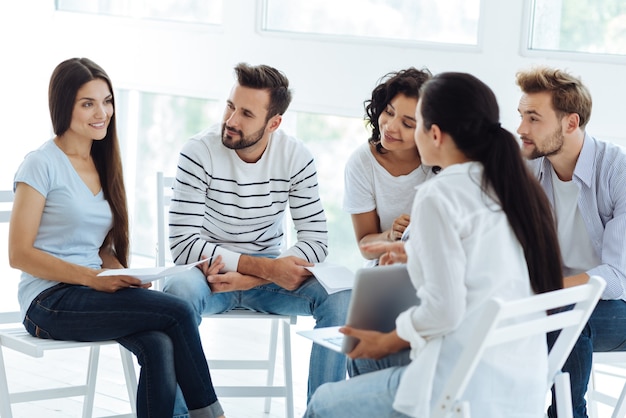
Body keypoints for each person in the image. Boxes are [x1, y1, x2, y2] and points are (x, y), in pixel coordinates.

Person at [304, 72, 563, 418]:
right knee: (369, 363)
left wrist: (388, 339)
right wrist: (416, 253)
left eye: (417, 123)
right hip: (518, 385)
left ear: (435, 134)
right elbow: (486, 262)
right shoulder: (509, 185)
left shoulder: (438, 194)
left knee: (323, 403)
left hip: (461, 387)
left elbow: (444, 311)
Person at [8, 57, 225, 418]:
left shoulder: (102, 161)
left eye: (107, 101)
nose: (102, 112)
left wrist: (122, 275)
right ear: (64, 106)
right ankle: (212, 414)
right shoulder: (40, 164)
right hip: (46, 302)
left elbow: (100, 247)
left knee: (158, 344)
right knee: (178, 310)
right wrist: (93, 277)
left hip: (90, 291)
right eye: (88, 103)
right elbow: (19, 254)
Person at [162, 63, 350, 415]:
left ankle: (322, 412)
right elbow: (183, 245)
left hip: (266, 282)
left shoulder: (296, 156)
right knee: (176, 296)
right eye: (231, 106)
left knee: (342, 295)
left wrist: (255, 276)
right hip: (209, 276)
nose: (231, 119)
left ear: (273, 123)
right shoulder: (198, 152)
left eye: (246, 113)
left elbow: (316, 241)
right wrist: (265, 268)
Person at [516, 66, 626, 418]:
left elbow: (618, 275)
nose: (521, 129)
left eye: (533, 118)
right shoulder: (530, 169)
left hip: (615, 305)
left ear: (570, 123)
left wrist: (550, 293)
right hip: (553, 305)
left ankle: (568, 414)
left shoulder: (617, 171)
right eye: (521, 116)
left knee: (565, 312)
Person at [343, 67, 436, 264]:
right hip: (388, 270)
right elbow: (365, 247)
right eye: (389, 112)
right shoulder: (362, 163)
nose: (391, 127)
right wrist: (391, 235)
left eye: (408, 124)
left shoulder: (442, 163)